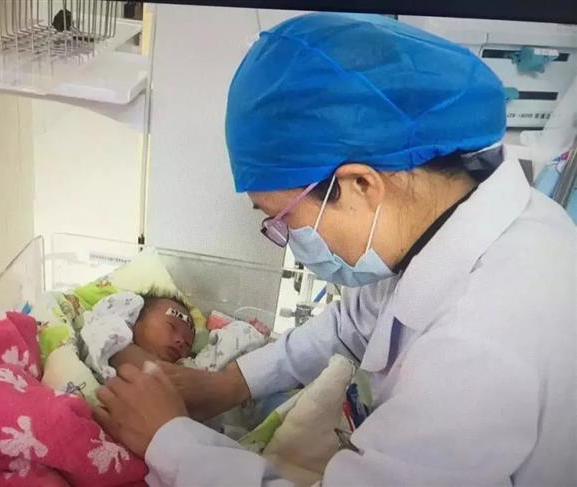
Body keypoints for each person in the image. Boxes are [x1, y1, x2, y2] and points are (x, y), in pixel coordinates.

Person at [92, 13, 576, 486]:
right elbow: (352, 324)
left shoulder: (481, 346)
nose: (292, 243)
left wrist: (171, 443)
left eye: (281, 220)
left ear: (360, 185)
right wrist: (230, 383)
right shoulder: (448, 224)